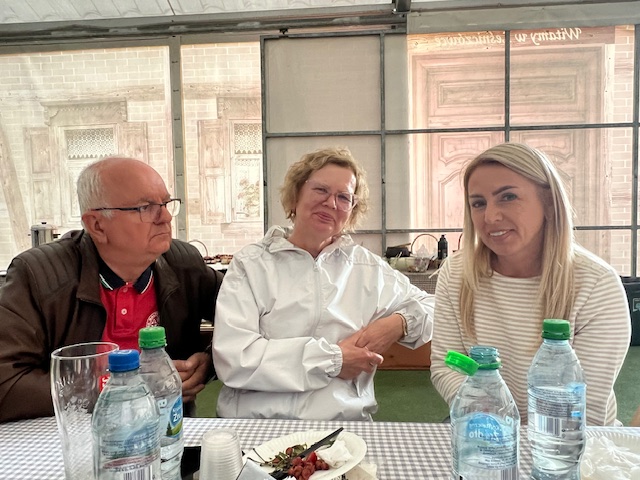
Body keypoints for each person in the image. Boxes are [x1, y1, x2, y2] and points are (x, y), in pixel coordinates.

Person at [211, 146, 434, 421]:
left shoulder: (366, 268)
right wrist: (333, 360)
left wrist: (398, 324)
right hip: (258, 422)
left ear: (351, 211)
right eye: (320, 190)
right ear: (295, 194)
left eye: (343, 197)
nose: (331, 203)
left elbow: (433, 307)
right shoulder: (252, 265)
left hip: (342, 424)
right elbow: (235, 358)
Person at [0, 156, 223, 423]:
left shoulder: (184, 264)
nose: (165, 217)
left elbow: (247, 322)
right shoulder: (39, 275)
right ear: (97, 225)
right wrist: (122, 388)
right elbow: (6, 384)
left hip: (167, 431)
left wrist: (208, 361)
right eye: (145, 207)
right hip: (76, 435)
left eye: (165, 204)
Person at [431, 142, 631, 426]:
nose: (490, 217)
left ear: (548, 203)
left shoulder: (597, 285)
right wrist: (485, 413)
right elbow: (447, 363)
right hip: (488, 427)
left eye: (508, 197)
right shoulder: (457, 272)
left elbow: (586, 408)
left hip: (570, 437)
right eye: (478, 203)